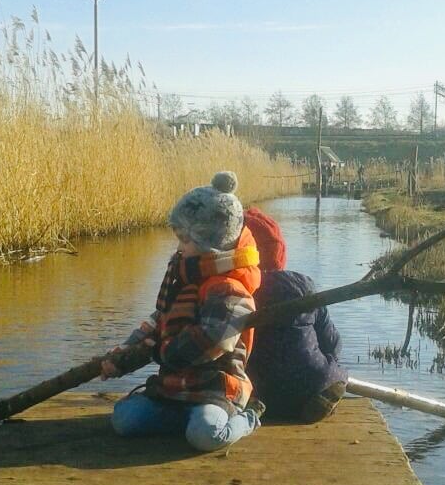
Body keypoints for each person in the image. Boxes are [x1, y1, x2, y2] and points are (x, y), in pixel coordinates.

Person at [103, 172, 264, 452]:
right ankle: (180, 419)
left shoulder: (230, 292)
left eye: (185, 241)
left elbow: (206, 344)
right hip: (174, 389)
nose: (179, 248)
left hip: (216, 391)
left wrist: (155, 351)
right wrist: (122, 356)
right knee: (124, 420)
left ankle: (248, 418)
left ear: (209, 243)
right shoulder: (183, 279)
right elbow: (157, 323)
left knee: (206, 434)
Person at [242, 207, 347, 423]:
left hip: (258, 387)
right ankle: (324, 392)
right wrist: (330, 365)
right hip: (310, 382)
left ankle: (252, 404)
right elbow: (333, 341)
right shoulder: (303, 287)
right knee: (332, 372)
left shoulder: (235, 289)